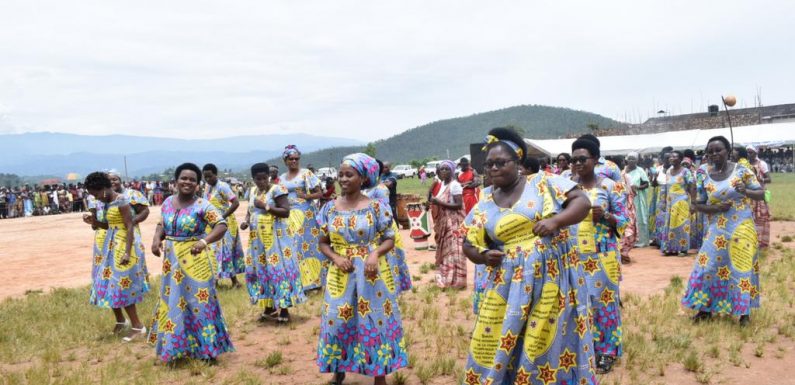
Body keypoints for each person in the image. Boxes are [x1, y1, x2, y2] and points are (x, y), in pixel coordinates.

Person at [461, 127, 596, 384]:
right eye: (488, 164)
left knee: (548, 339)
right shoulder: (485, 201)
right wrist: (483, 255)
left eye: (500, 163)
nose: (493, 169)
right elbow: (468, 243)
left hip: (551, 280)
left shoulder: (543, 183)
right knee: (504, 339)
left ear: (519, 162)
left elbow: (582, 202)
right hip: (508, 286)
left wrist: (557, 221)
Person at [316, 153, 407, 385]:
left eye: (349, 174)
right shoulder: (329, 208)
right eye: (341, 174)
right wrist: (336, 258)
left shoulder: (376, 207)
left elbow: (389, 238)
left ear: (363, 178)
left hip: (370, 274)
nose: (343, 179)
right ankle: (339, 367)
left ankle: (379, 374)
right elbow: (323, 243)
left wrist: (375, 253)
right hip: (341, 275)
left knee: (375, 321)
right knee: (338, 321)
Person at [148, 163, 233, 362]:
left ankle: (207, 351)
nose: (187, 182)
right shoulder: (168, 202)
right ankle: (177, 347)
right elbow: (162, 223)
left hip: (197, 261)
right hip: (172, 263)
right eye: (183, 178)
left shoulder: (203, 205)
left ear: (197, 184)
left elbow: (221, 225)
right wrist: (156, 239)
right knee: (175, 301)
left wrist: (204, 241)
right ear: (176, 181)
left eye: (192, 180)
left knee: (201, 302)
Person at [683, 136, 764, 326]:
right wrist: (717, 208)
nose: (714, 154)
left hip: (741, 228)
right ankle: (705, 309)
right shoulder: (703, 173)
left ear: (728, 150)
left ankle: (743, 313)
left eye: (718, 150)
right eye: (710, 151)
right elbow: (698, 205)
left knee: (740, 268)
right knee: (706, 267)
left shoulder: (742, 170)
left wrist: (745, 191)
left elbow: (761, 194)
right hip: (717, 227)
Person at [569, 138, 628, 373]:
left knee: (604, 303)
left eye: (582, 159)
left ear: (595, 159)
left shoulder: (611, 187)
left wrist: (605, 216)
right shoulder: (566, 186)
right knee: (577, 303)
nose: (577, 164)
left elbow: (624, 221)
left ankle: (607, 351)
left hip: (602, 254)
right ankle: (583, 347)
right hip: (574, 254)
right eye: (574, 160)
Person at [82, 172, 149, 341]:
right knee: (111, 285)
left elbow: (129, 226)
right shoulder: (106, 202)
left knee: (121, 285)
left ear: (105, 188)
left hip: (122, 245)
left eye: (96, 194)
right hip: (109, 246)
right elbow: (109, 225)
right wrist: (94, 223)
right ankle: (124, 322)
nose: (95, 197)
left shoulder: (121, 200)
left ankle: (138, 326)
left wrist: (127, 252)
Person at [240, 163, 305, 323]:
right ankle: (268, 307)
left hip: (277, 240)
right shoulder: (253, 191)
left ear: (268, 176)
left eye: (264, 178)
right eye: (258, 179)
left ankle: (284, 309)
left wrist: (266, 206)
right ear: (253, 179)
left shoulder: (277, 190)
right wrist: (246, 221)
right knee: (262, 270)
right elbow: (251, 210)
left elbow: (285, 211)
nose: (261, 181)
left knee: (278, 270)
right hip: (258, 242)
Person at [280, 145, 325, 291]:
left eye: (296, 158)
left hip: (306, 216)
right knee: (293, 247)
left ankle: (314, 282)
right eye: (290, 159)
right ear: (285, 160)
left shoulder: (306, 174)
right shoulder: (281, 178)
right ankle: (298, 280)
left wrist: (307, 196)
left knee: (307, 246)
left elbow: (319, 193)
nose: (294, 161)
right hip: (289, 215)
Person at [367, 160, 412, 294]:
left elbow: (383, 212)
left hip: (382, 228)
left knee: (389, 260)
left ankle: (393, 290)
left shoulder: (380, 189)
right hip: (371, 229)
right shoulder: (366, 189)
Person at [201, 163, 245, 287]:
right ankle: (216, 280)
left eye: (210, 176)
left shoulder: (223, 186)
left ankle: (234, 282)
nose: (208, 179)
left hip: (225, 224)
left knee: (225, 251)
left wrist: (222, 217)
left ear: (216, 174)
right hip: (211, 224)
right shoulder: (207, 187)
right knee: (213, 252)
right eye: (205, 177)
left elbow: (236, 203)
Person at [428, 160, 466, 289]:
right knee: (446, 252)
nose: (444, 171)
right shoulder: (442, 184)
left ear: (452, 171)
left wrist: (439, 203)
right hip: (444, 222)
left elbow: (458, 205)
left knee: (454, 251)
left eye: (447, 169)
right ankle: (447, 278)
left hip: (453, 223)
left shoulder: (455, 185)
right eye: (442, 169)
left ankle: (458, 281)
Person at [660, 151, 695, 256]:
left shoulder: (686, 172)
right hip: (670, 202)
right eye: (670, 156)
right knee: (670, 224)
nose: (671, 158)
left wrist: (693, 203)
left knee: (681, 225)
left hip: (682, 201)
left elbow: (692, 186)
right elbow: (666, 188)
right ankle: (669, 248)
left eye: (674, 156)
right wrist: (664, 201)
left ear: (680, 159)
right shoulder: (668, 172)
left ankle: (682, 248)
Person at [747, 145, 771, 249]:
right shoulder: (745, 165)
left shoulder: (762, 164)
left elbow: (769, 179)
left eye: (751, 152)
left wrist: (760, 180)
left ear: (756, 153)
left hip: (759, 195)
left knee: (760, 218)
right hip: (748, 195)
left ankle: (761, 242)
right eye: (747, 152)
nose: (749, 154)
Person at [650, 147, 673, 246]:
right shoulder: (658, 169)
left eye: (670, 158)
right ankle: (659, 240)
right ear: (663, 159)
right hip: (660, 196)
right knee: (660, 218)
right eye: (666, 158)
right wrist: (654, 178)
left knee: (671, 218)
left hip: (672, 196)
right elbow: (654, 184)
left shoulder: (675, 169)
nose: (668, 160)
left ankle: (670, 240)